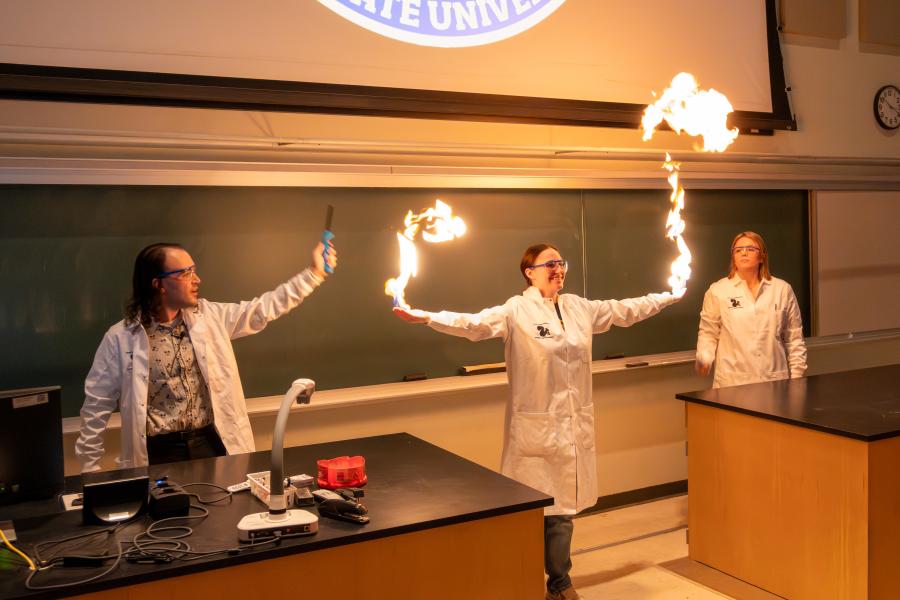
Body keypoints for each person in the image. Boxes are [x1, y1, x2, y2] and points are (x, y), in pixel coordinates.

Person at [393, 243, 681, 600]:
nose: (558, 268)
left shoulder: (578, 307)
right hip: (535, 425)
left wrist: (669, 295)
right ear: (529, 271)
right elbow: (473, 324)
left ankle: (559, 584)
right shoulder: (516, 311)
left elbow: (626, 310)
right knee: (533, 511)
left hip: (573, 425)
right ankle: (523, 579)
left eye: (562, 262)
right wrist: (426, 317)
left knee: (563, 511)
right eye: (550, 263)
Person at [75, 240, 337, 472]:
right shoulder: (121, 338)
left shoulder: (210, 318)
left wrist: (314, 274)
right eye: (186, 273)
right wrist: (90, 470)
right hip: (158, 455)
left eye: (194, 270)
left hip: (212, 445)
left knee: (223, 520)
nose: (196, 279)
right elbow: (96, 406)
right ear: (159, 284)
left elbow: (264, 308)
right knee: (166, 523)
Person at [695, 231, 806, 387]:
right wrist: (705, 358)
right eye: (738, 250)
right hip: (732, 382)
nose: (744, 253)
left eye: (750, 249)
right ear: (733, 257)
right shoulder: (718, 290)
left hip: (774, 381)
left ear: (762, 256)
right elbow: (708, 332)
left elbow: (794, 338)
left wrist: (797, 380)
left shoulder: (782, 289)